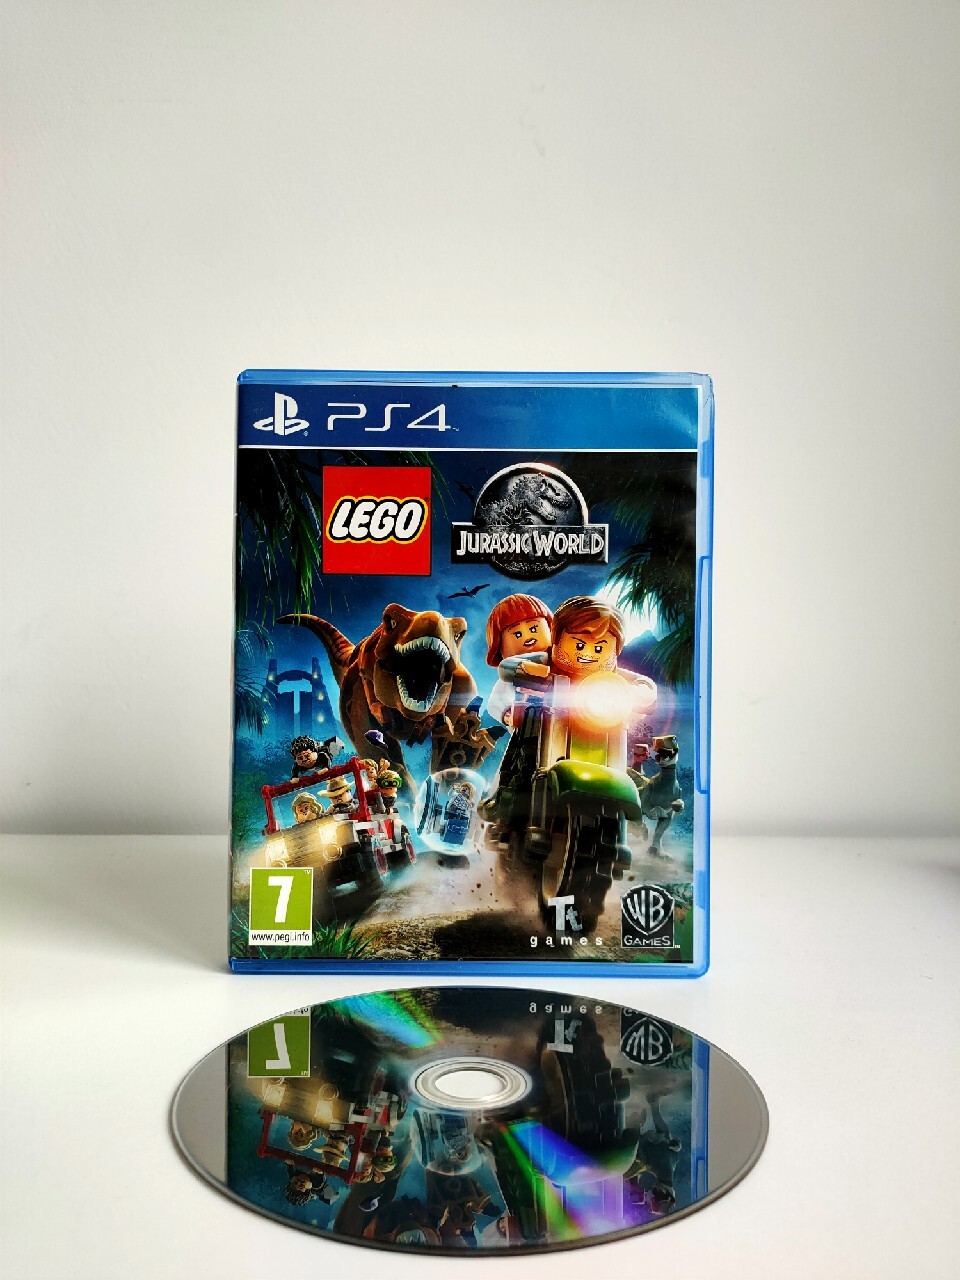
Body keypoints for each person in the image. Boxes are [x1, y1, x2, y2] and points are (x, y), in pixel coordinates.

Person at [483, 594, 553, 726]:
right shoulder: (509, 677)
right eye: (517, 634)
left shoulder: (559, 663)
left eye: (533, 628)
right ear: (499, 647)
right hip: (528, 728)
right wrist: (508, 715)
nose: (527, 637)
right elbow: (495, 704)